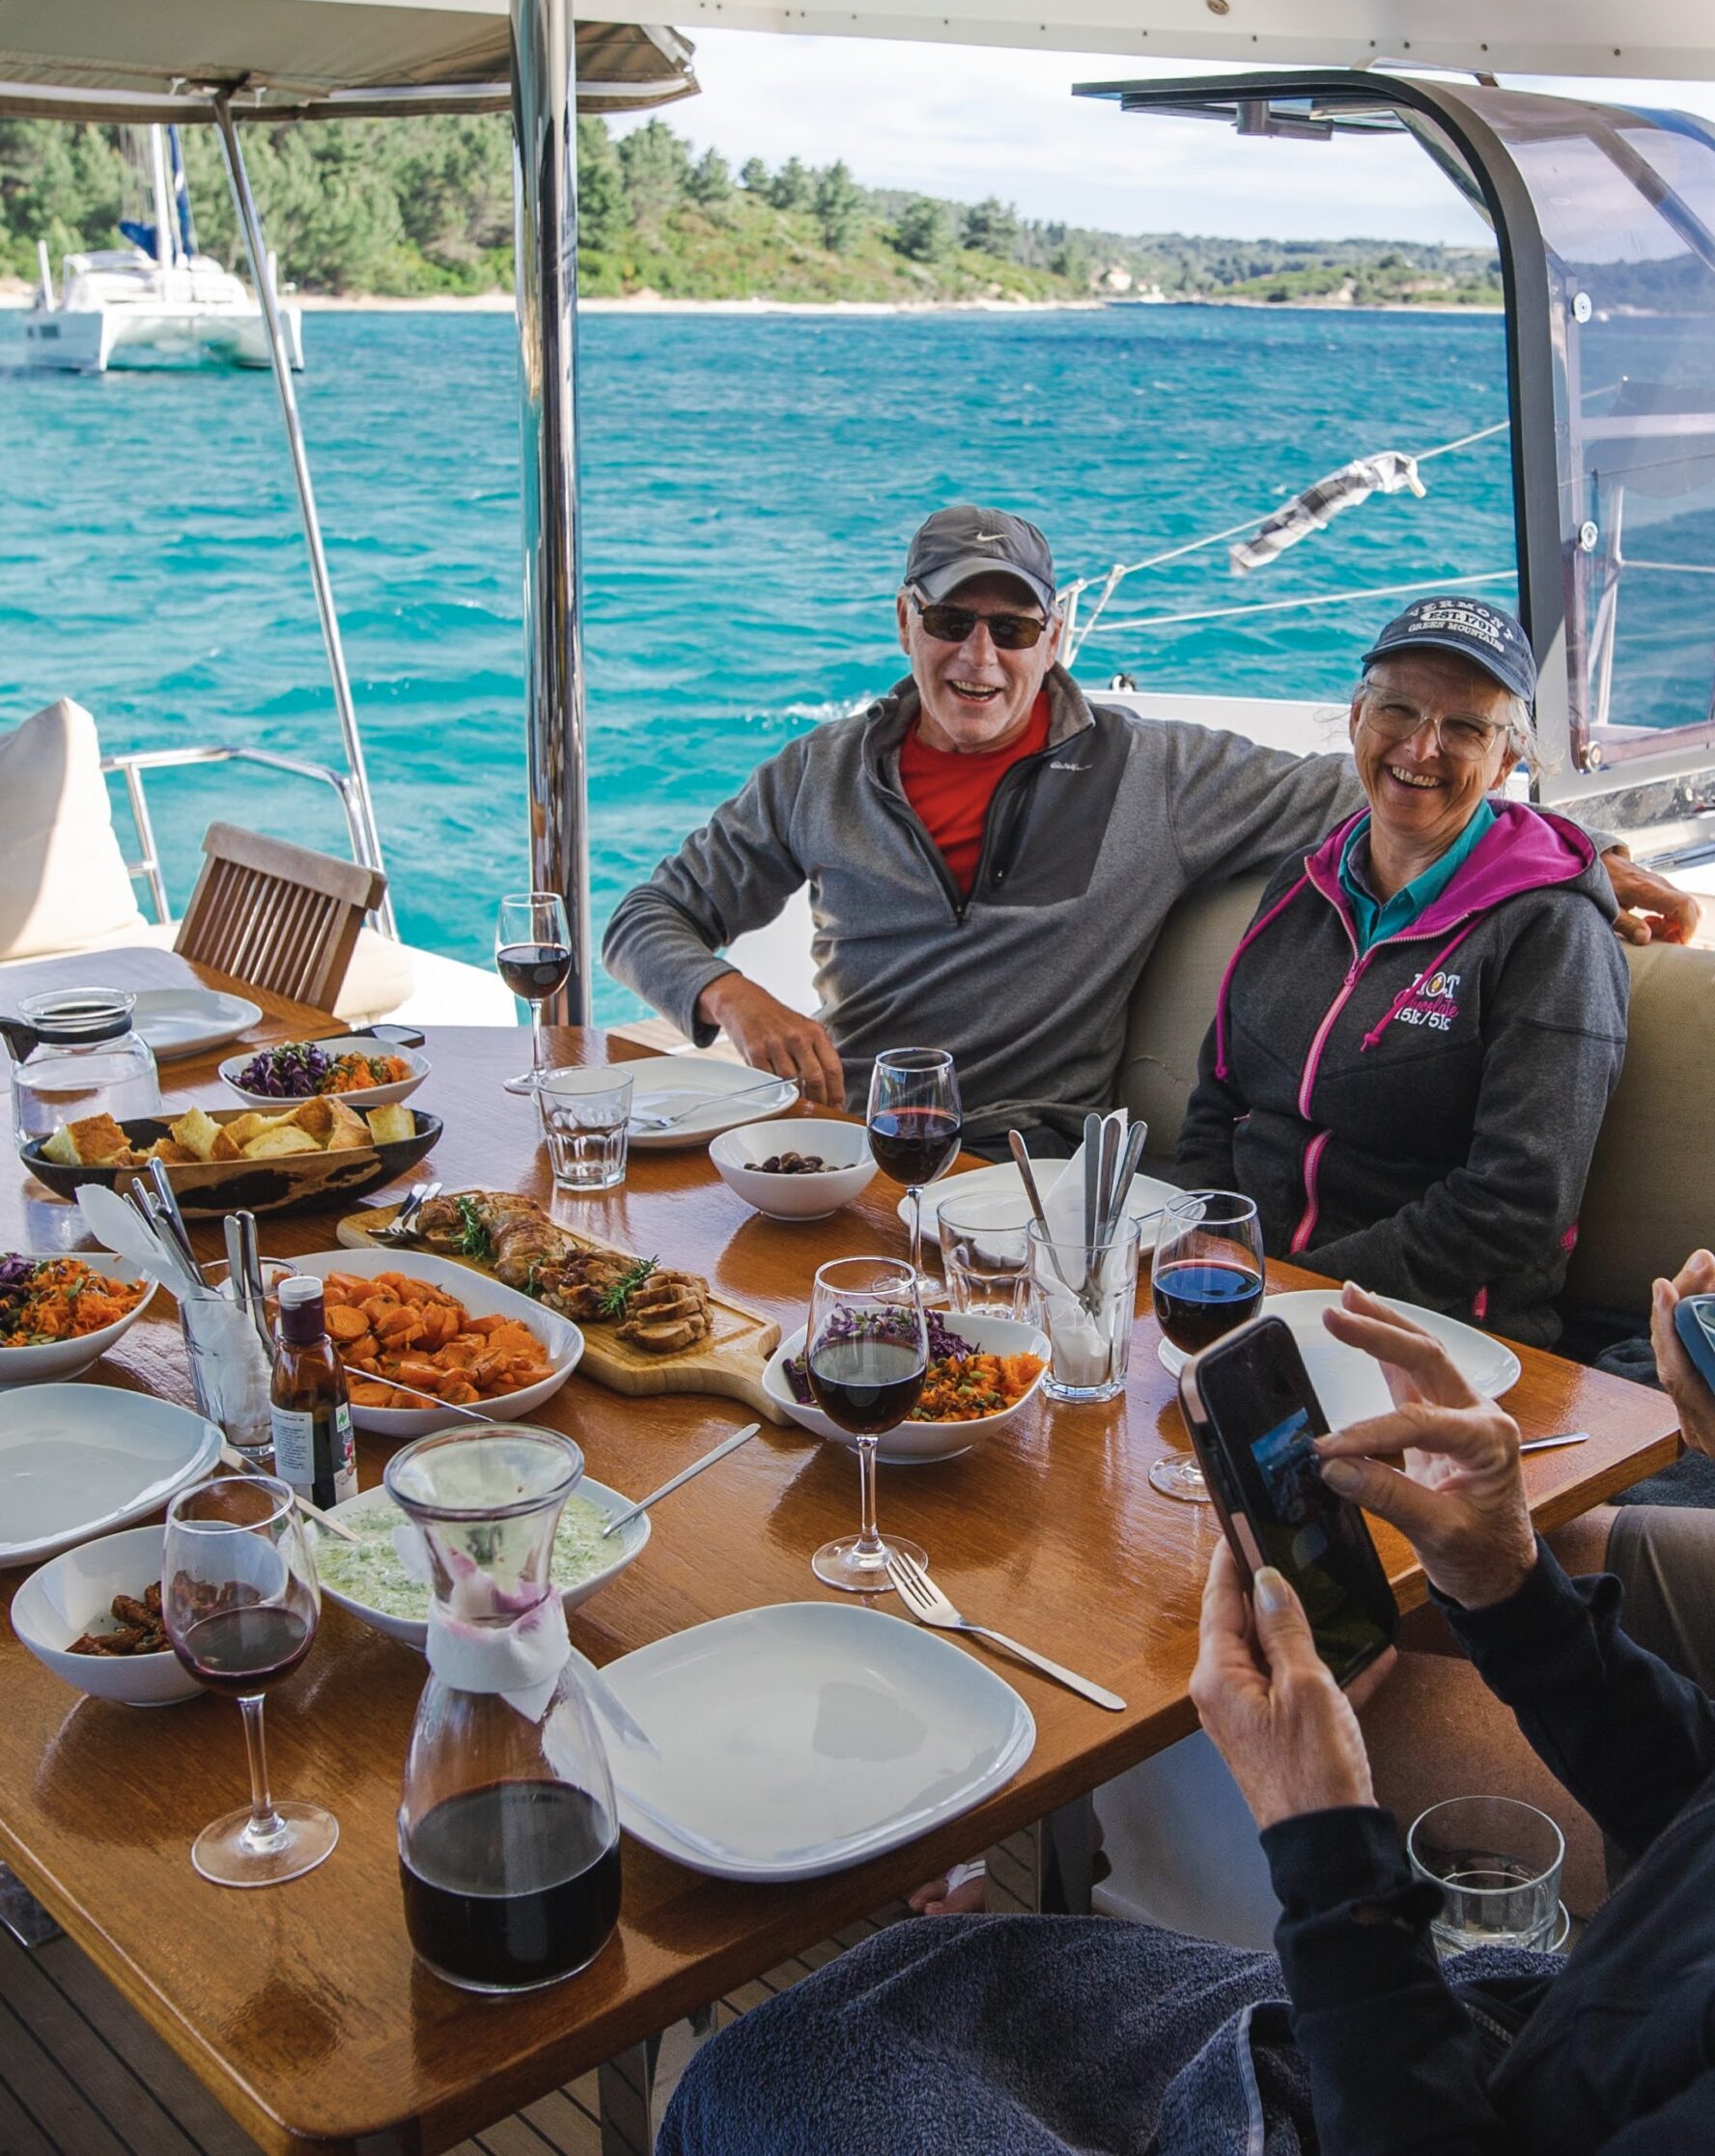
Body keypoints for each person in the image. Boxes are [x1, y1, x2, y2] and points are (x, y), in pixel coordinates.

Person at [658, 1288, 1715, 2155]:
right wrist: (1514, 1595)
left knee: (762, 2068)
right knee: (883, 1990)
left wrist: (1329, 1855)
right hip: (1517, 2023)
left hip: (1430, 2092)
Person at [603, 513, 1694, 1154]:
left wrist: (1578, 856)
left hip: (1026, 1159)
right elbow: (645, 916)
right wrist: (729, 996)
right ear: (905, 620)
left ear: (1055, 635)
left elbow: (1404, 781)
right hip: (849, 1137)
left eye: (1014, 628)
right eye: (950, 622)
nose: (979, 660)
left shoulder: (1156, 772)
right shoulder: (818, 771)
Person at [1175, 595, 1629, 1348]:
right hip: (1248, 1299)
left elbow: (1517, 1199)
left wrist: (1302, 1297)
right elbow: (1217, 1098)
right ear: (1357, 719)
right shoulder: (1303, 881)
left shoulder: (1552, 934)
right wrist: (1208, 1246)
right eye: (1399, 711)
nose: (1421, 749)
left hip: (1428, 1337)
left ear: (1504, 762)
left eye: (1465, 727)